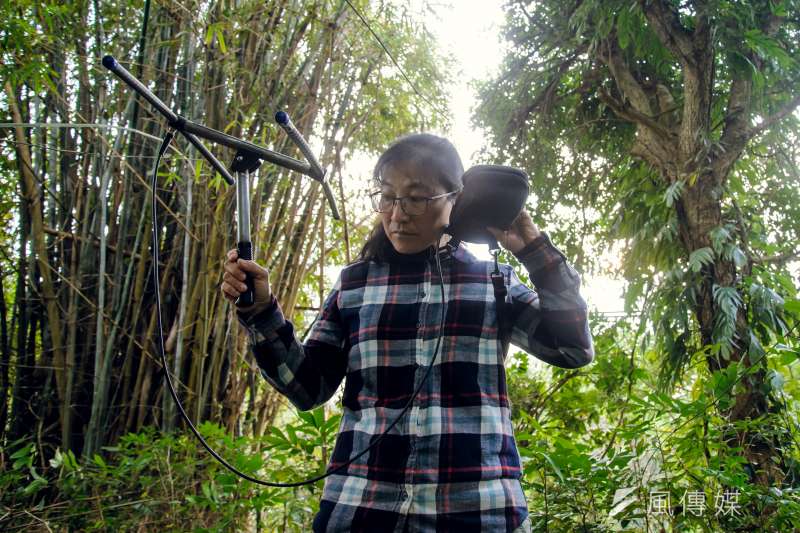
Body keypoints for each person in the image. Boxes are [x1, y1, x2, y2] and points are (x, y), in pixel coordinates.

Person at [221, 133, 594, 533]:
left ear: (456, 199)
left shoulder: (493, 280)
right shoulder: (355, 284)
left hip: (476, 513)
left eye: (417, 198)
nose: (398, 214)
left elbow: (571, 349)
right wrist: (262, 313)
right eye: (386, 196)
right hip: (362, 510)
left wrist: (533, 248)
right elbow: (307, 387)